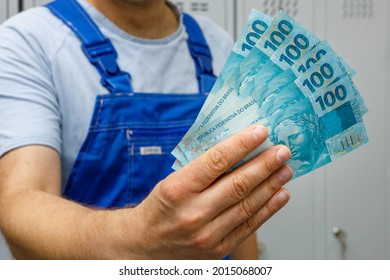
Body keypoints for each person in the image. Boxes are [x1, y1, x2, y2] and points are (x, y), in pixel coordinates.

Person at [0, 0, 292, 259]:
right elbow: (20, 202)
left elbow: (235, 208)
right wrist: (135, 238)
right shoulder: (29, 41)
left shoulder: (217, 43)